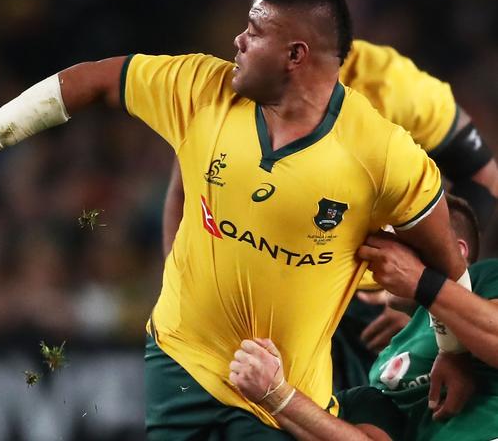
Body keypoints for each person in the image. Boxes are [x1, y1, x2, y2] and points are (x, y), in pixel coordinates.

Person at [0, 0, 469, 439]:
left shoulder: (382, 154)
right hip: (178, 360)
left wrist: (452, 353)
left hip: (280, 394)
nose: (237, 38)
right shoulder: (201, 89)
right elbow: (97, 78)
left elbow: (446, 259)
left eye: (254, 31)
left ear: (294, 55)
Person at [162, 37, 498, 390]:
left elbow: (483, 178)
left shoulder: (392, 84)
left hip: (371, 306)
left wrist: (426, 300)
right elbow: (185, 188)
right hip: (268, 291)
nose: (246, 41)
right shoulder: (243, 86)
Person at [230, 195, 498, 440]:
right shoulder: (381, 364)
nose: (383, 249)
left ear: (459, 251)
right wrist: (278, 395)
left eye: (397, 239)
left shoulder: (486, 278)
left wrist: (421, 282)